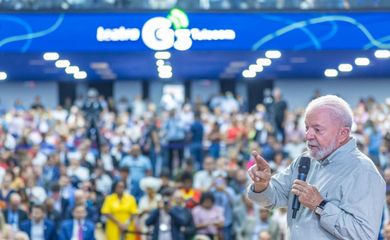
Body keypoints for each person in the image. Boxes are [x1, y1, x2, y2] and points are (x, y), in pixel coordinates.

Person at [247, 95, 385, 239]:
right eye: (307, 128)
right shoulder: (305, 161)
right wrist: (262, 185)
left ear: (342, 134)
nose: (308, 136)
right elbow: (272, 198)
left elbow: (364, 235)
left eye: (317, 130)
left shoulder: (363, 172)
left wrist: (320, 205)